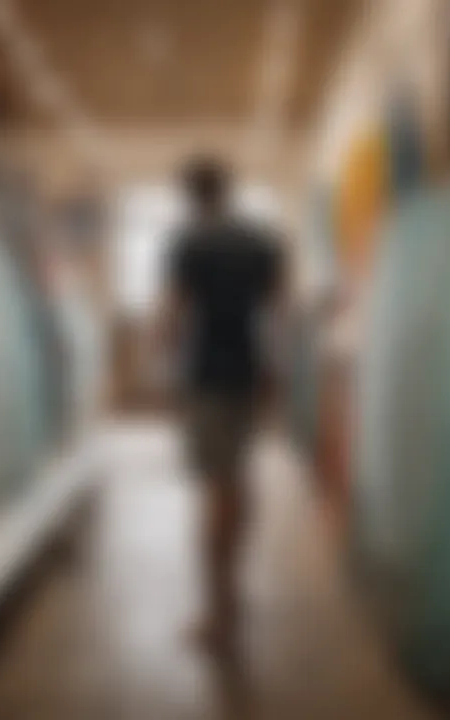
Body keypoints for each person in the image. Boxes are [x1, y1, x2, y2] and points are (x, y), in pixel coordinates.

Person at [157, 156, 287, 654]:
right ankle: (234, 591)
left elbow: (172, 313)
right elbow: (279, 311)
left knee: (216, 488)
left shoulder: (189, 241)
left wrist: (165, 364)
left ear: (188, 195)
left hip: (208, 375)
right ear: (228, 189)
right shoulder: (263, 241)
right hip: (250, 372)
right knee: (237, 478)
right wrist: (274, 373)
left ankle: (220, 614)